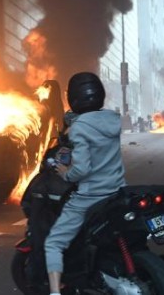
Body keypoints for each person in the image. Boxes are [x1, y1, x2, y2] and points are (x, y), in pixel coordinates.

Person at [44, 72, 127, 295]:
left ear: (72, 99)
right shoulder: (113, 120)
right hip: (117, 190)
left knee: (53, 243)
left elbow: (81, 170)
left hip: (91, 196)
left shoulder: (80, 127)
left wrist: (64, 172)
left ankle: (54, 292)